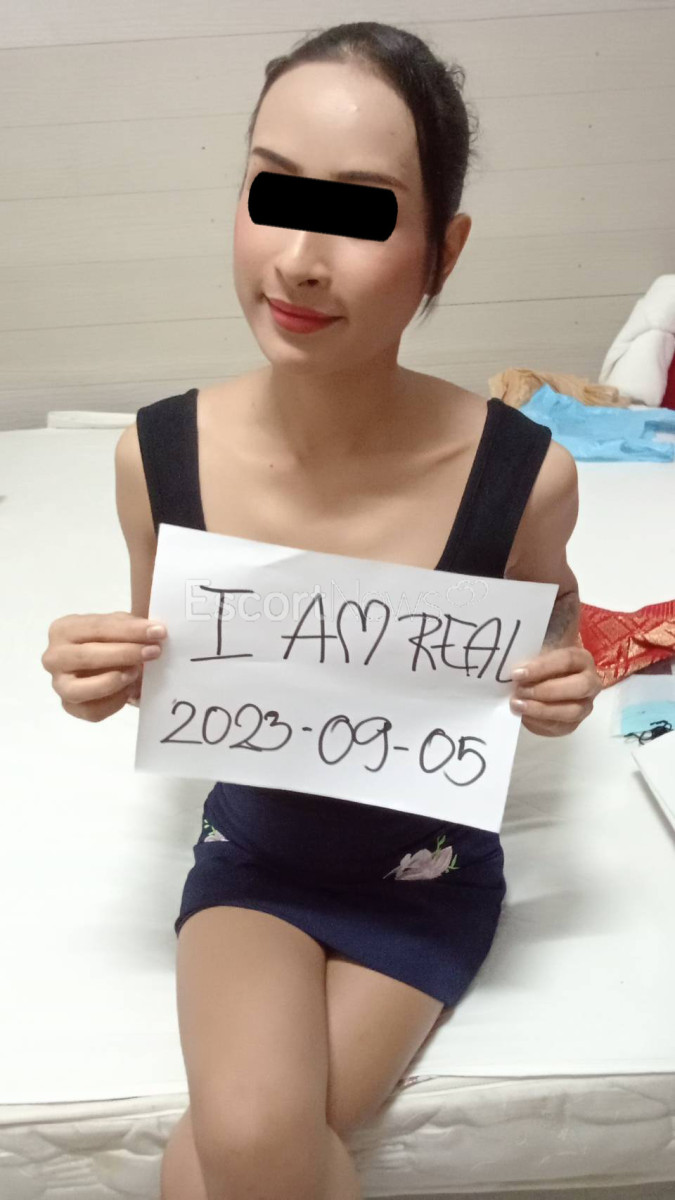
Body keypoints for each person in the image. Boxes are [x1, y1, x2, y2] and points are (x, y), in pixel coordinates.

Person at [41, 21, 600, 1200]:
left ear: (443, 251)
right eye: (274, 192)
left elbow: (555, 619)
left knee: (217, 1163)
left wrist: (563, 676)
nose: (299, 259)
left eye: (359, 212)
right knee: (246, 1139)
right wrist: (100, 674)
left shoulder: (525, 477)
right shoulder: (156, 457)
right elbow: (163, 664)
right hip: (256, 855)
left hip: (427, 871)